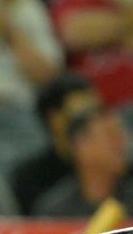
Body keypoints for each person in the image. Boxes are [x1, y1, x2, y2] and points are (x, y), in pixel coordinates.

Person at [32, 106, 133, 217]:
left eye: (121, 135)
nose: (121, 143)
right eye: (111, 135)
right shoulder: (54, 213)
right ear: (81, 146)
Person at [11, 71, 102, 215]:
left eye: (97, 113)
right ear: (54, 119)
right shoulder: (30, 178)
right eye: (82, 115)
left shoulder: (117, 169)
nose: (94, 122)